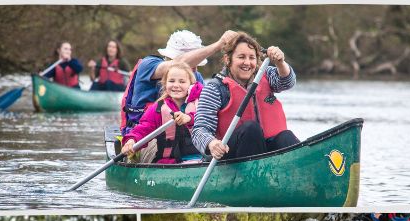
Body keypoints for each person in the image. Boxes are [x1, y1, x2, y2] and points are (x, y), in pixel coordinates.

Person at [192, 32, 299, 161]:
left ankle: (304, 172)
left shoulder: (266, 74)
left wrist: (280, 63)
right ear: (227, 59)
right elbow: (199, 130)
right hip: (231, 155)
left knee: (285, 136)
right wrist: (212, 143)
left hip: (265, 148)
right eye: (241, 57)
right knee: (251, 129)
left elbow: (287, 82)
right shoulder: (215, 88)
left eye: (251, 58)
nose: (247, 63)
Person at [121, 29, 237, 134]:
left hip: (182, 135)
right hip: (143, 134)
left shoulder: (196, 77)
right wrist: (219, 44)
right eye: (193, 63)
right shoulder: (148, 65)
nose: (194, 69)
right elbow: (180, 63)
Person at [120, 62, 203, 164]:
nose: (176, 85)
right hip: (168, 162)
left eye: (182, 82)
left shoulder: (201, 103)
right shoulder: (158, 109)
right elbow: (143, 128)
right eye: (171, 81)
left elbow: (207, 121)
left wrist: (189, 118)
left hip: (201, 159)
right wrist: (131, 140)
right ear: (165, 84)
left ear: (191, 85)